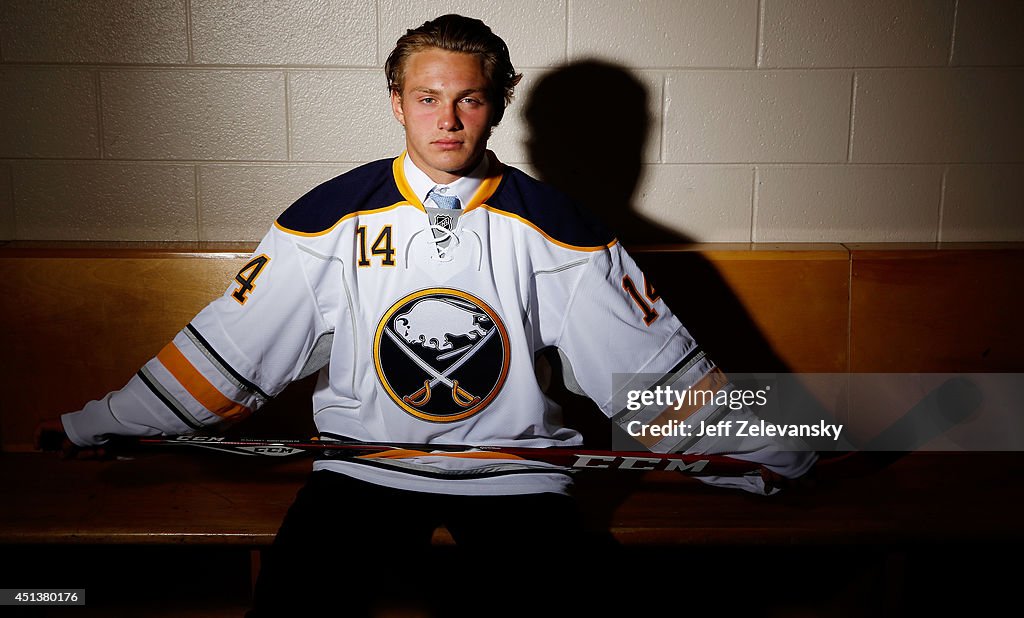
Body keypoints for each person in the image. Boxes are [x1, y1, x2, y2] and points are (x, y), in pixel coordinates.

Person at [40, 14, 815, 616]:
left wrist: (775, 445)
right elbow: (236, 348)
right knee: (294, 613)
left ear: (500, 102)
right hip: (361, 471)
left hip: (516, 478)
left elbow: (649, 366)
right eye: (427, 98)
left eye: (469, 98)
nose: (448, 119)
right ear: (397, 104)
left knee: (578, 614)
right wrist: (98, 422)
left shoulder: (558, 226)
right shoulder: (330, 216)